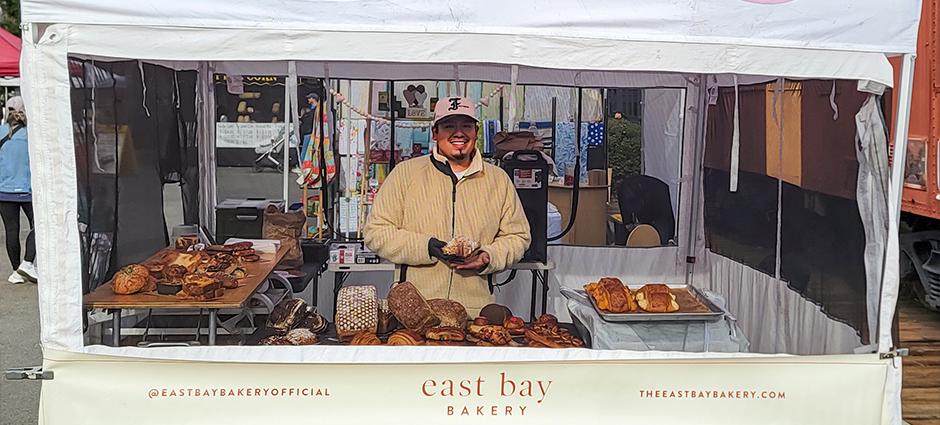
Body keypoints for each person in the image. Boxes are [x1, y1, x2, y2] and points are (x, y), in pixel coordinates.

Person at [364, 96, 531, 315]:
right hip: (414, 311)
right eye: (449, 126)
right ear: (435, 133)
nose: (458, 133)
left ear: (476, 132)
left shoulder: (497, 180)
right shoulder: (406, 174)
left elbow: (518, 236)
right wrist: (427, 246)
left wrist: (489, 256)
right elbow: (375, 233)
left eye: (466, 126)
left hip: (475, 312)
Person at [0, 96, 36, 283]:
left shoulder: (0, 132)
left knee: (11, 230)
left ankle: (16, 271)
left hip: (4, 191)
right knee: (37, 226)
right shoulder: (32, 135)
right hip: (29, 190)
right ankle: (27, 263)